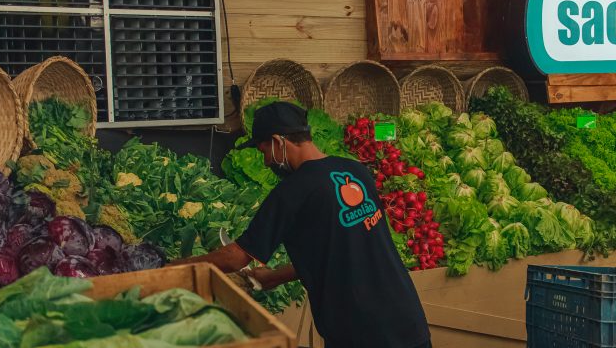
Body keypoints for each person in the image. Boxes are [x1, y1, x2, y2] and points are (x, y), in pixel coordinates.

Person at [177, 102, 431, 348]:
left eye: (263, 151)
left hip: (361, 331)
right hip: (407, 318)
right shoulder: (356, 171)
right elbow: (339, 249)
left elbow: (236, 257)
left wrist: (175, 268)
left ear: (279, 142)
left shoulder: (291, 192)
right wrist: (276, 277)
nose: (266, 161)